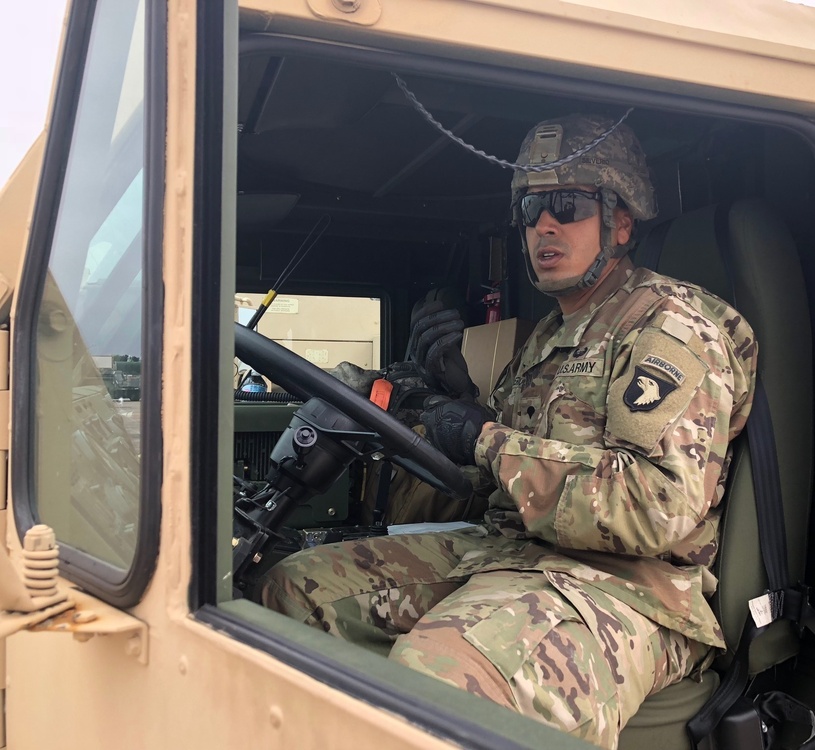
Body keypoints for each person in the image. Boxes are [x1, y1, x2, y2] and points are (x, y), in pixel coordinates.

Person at [259, 114, 757, 749]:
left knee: (439, 683)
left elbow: (654, 508)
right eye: (530, 210)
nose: (543, 226)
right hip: (515, 555)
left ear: (621, 222)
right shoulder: (552, 336)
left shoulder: (671, 328)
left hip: (628, 592)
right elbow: (496, 478)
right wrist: (429, 416)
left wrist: (486, 440)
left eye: (567, 206)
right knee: (292, 592)